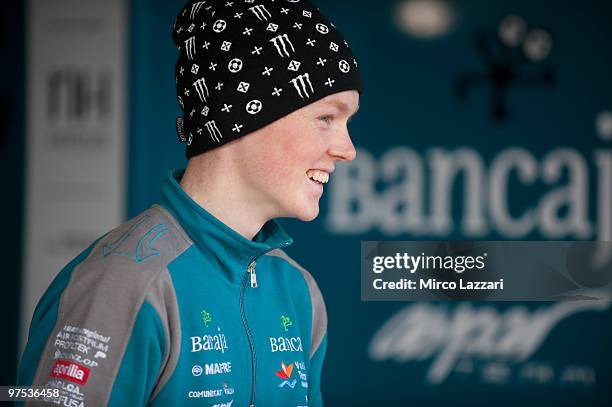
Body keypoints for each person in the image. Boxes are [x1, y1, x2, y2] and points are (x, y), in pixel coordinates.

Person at [18, 0, 362, 405]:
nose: (347, 149)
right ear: (245, 117)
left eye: (347, 123)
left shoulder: (298, 292)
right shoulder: (124, 285)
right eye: (327, 118)